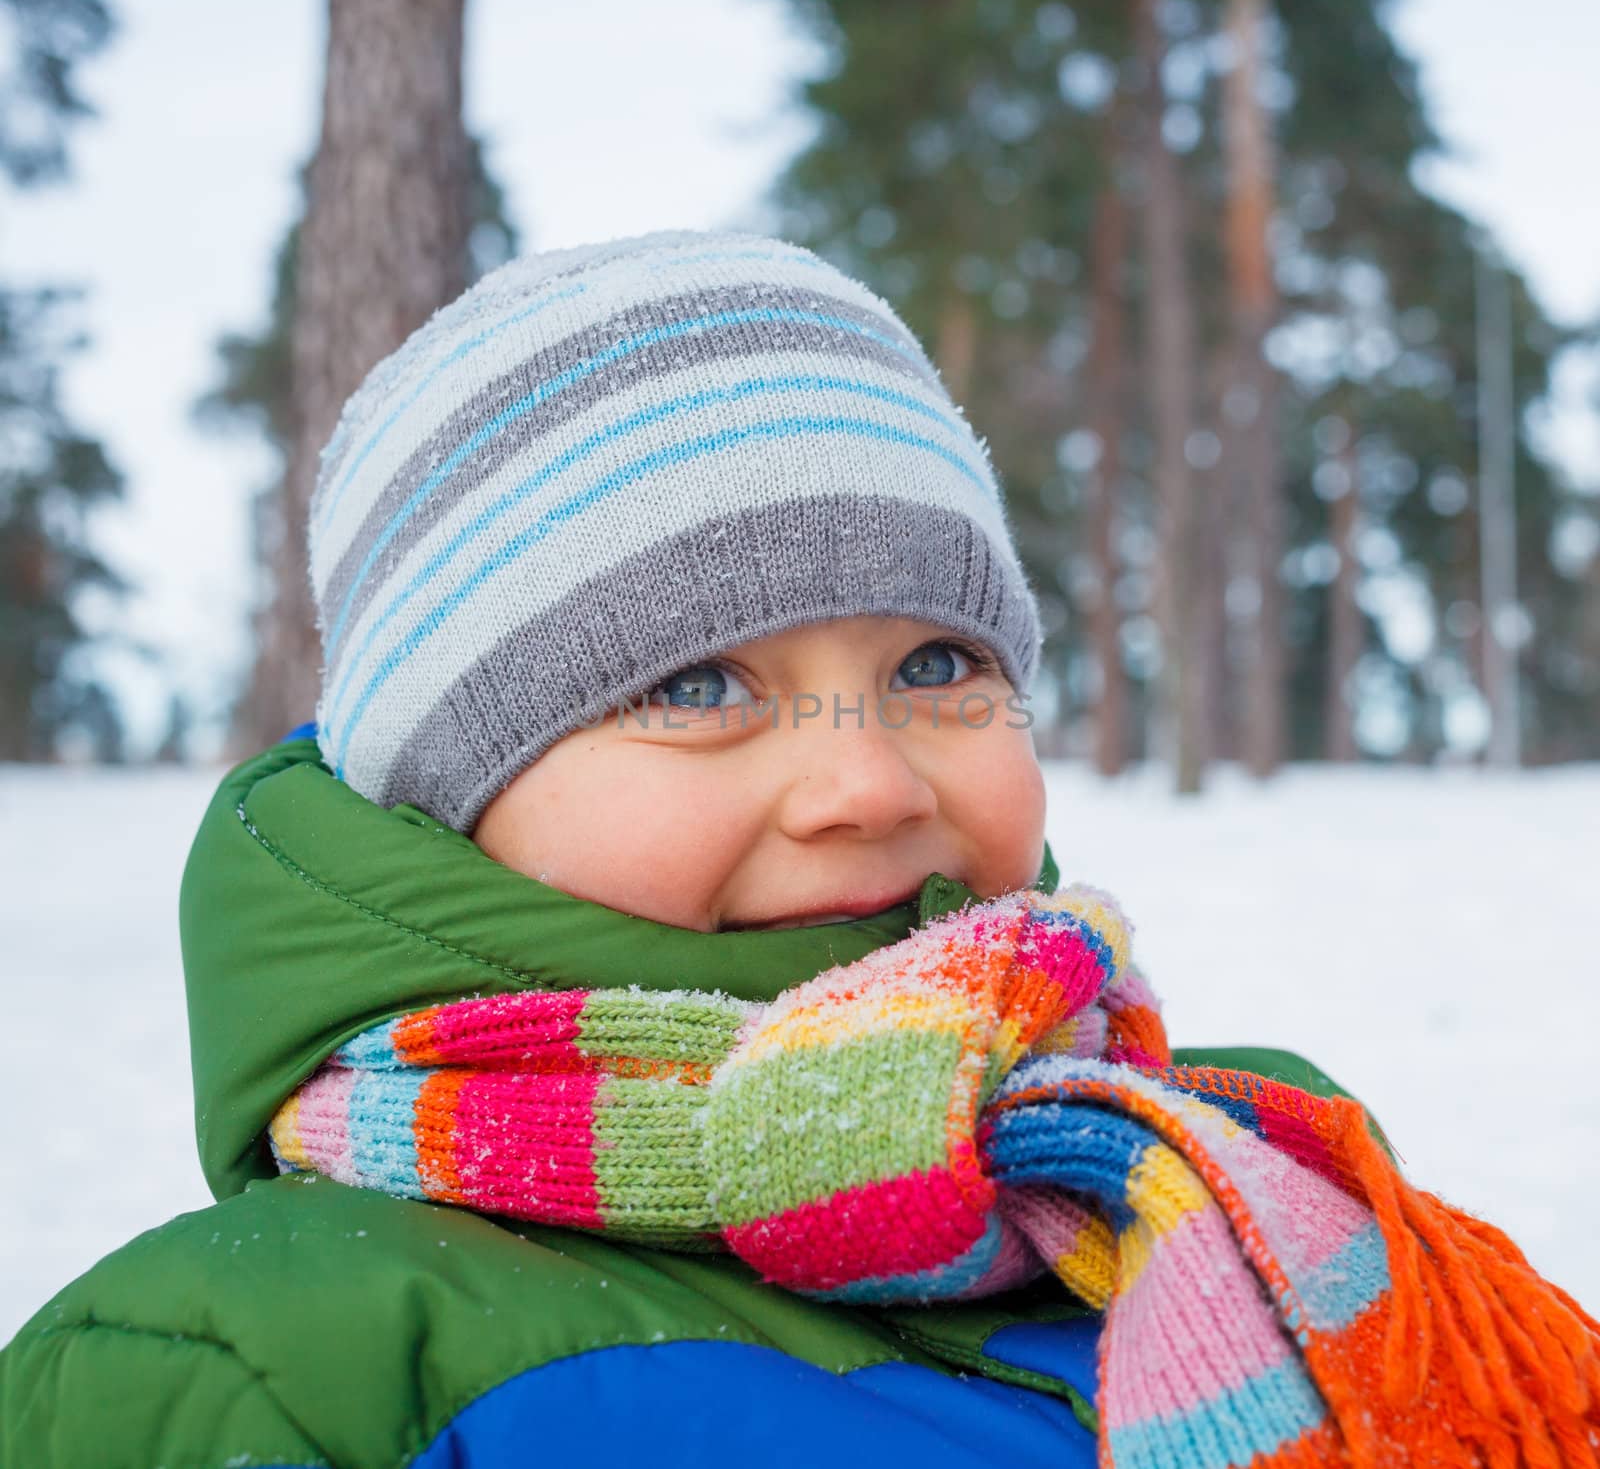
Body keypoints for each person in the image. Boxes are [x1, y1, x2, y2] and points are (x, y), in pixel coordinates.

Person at [3, 231, 1586, 1469]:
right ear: (444, 789)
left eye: (936, 666)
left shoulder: (1244, 1175)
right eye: (696, 685)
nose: (868, 784)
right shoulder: (257, 1362)